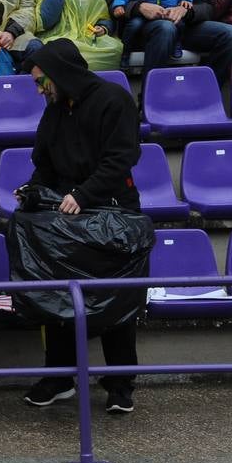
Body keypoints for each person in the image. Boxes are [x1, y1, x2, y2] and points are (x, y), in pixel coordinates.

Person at [20, 39, 144, 414]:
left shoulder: (113, 100)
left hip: (111, 210)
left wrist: (84, 194)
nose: (40, 89)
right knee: (58, 297)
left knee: (115, 301)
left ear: (62, 74)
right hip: (67, 215)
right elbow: (44, 162)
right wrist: (33, 190)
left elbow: (122, 157)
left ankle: (121, 384)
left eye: (43, 81)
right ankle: (59, 377)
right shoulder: (55, 109)